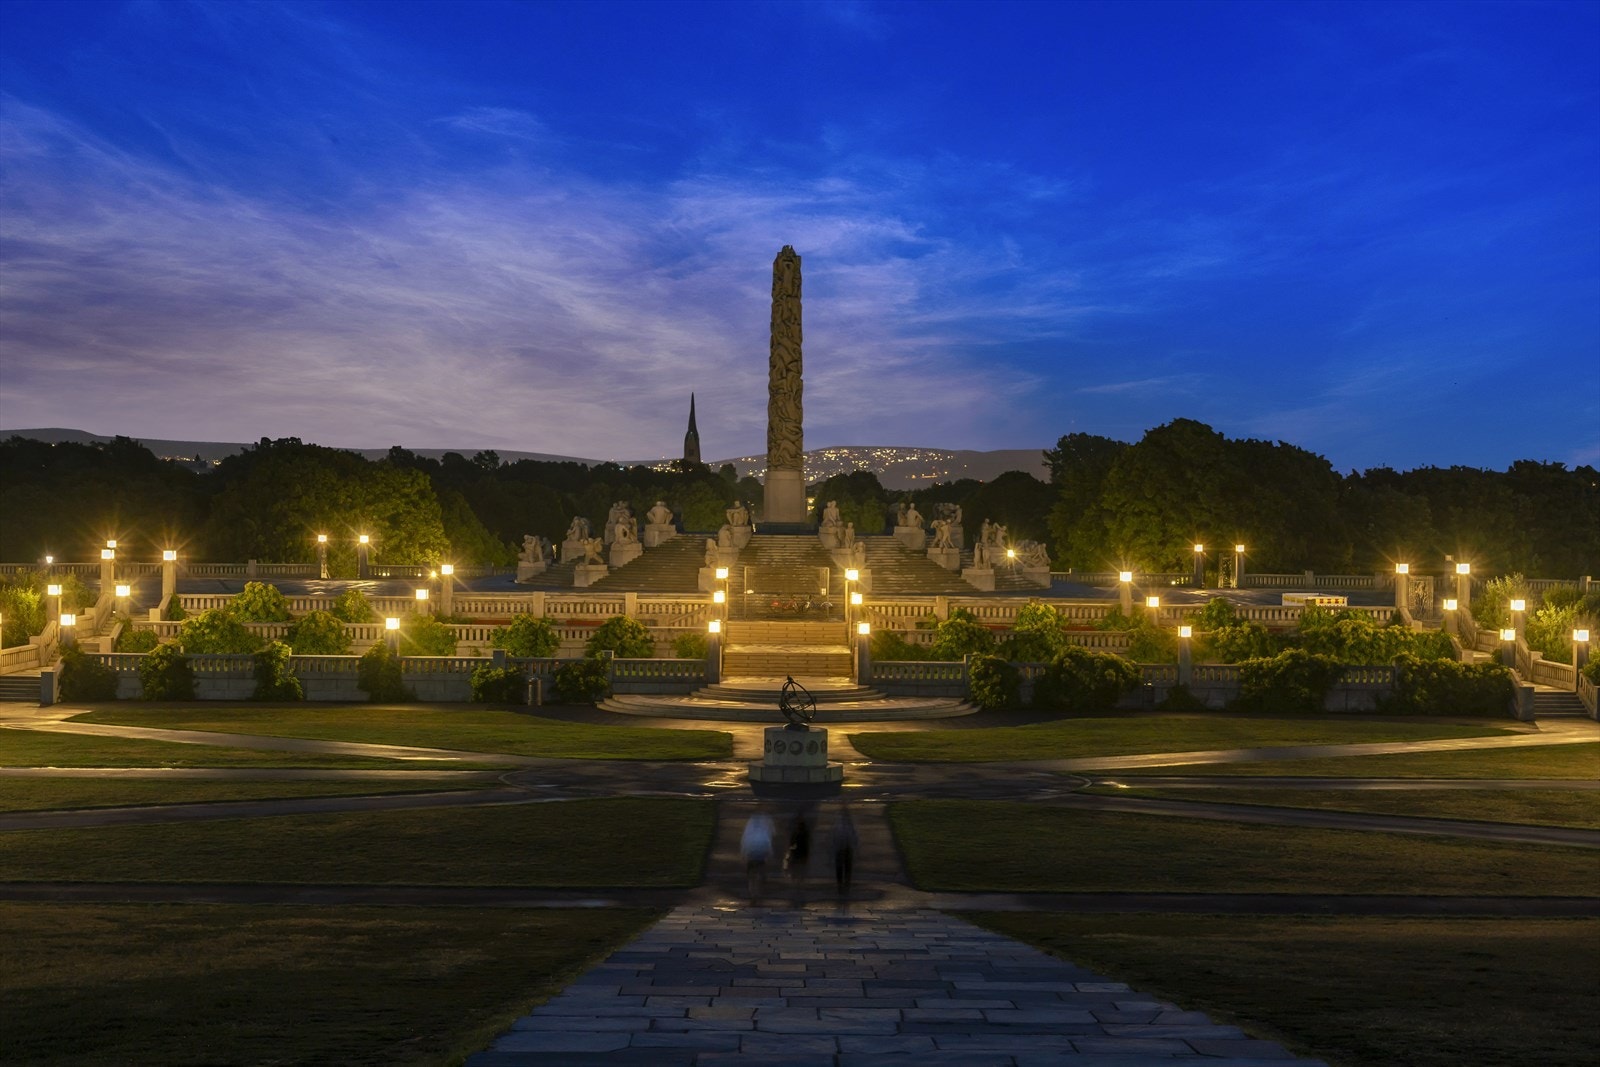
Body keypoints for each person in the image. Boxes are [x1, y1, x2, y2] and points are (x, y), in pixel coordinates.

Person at [741, 810, 776, 899]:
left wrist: (744, 852)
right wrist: (770, 852)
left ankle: (753, 893)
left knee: (751, 875)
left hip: (751, 852)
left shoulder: (750, 823)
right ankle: (759, 888)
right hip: (761, 851)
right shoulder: (766, 821)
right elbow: (769, 837)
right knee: (760, 870)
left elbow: (745, 837)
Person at [831, 807, 859, 892]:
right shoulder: (848, 824)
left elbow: (834, 836)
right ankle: (845, 884)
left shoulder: (838, 824)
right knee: (846, 867)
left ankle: (842, 885)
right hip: (846, 848)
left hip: (841, 849)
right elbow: (854, 836)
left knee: (841, 868)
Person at [786, 810, 812, 882]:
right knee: (800, 863)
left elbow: (793, 839)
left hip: (799, 848)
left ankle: (797, 876)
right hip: (801, 848)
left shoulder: (797, 830)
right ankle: (799, 876)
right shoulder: (803, 829)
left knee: (797, 863)